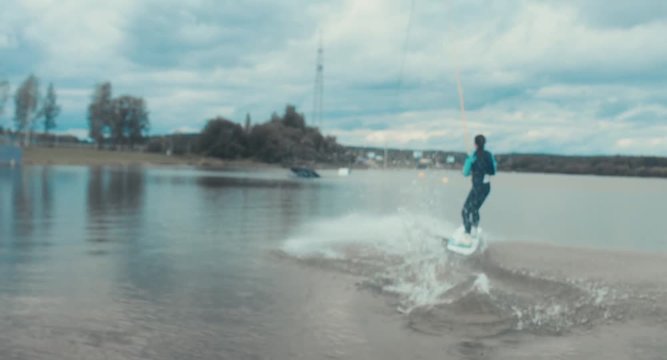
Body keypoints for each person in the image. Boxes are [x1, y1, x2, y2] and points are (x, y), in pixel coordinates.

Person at [460, 134, 497, 245]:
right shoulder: (489, 155)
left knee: (466, 210)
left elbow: (465, 173)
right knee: (475, 209)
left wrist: (469, 161)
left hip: (477, 188)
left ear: (475, 144)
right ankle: (475, 230)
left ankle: (467, 234)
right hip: (486, 189)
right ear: (484, 144)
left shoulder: (473, 156)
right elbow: (494, 170)